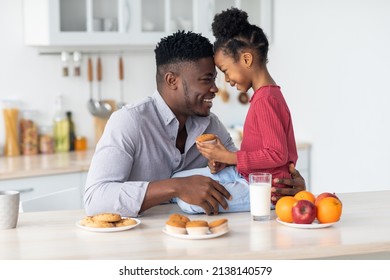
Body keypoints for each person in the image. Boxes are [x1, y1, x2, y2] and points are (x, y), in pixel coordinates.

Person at [84, 30, 305, 218]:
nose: (215, 89)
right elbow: (95, 198)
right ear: (173, 81)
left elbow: (244, 176)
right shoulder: (129, 122)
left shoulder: (211, 126)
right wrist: (177, 187)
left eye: (215, 79)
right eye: (206, 79)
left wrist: (286, 184)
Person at [194, 8, 298, 206]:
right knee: (186, 178)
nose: (226, 80)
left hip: (264, 191)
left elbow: (277, 154)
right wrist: (227, 160)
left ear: (246, 59)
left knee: (190, 200)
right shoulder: (267, 96)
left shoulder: (265, 100)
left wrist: (229, 156)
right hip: (254, 180)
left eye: (225, 71)